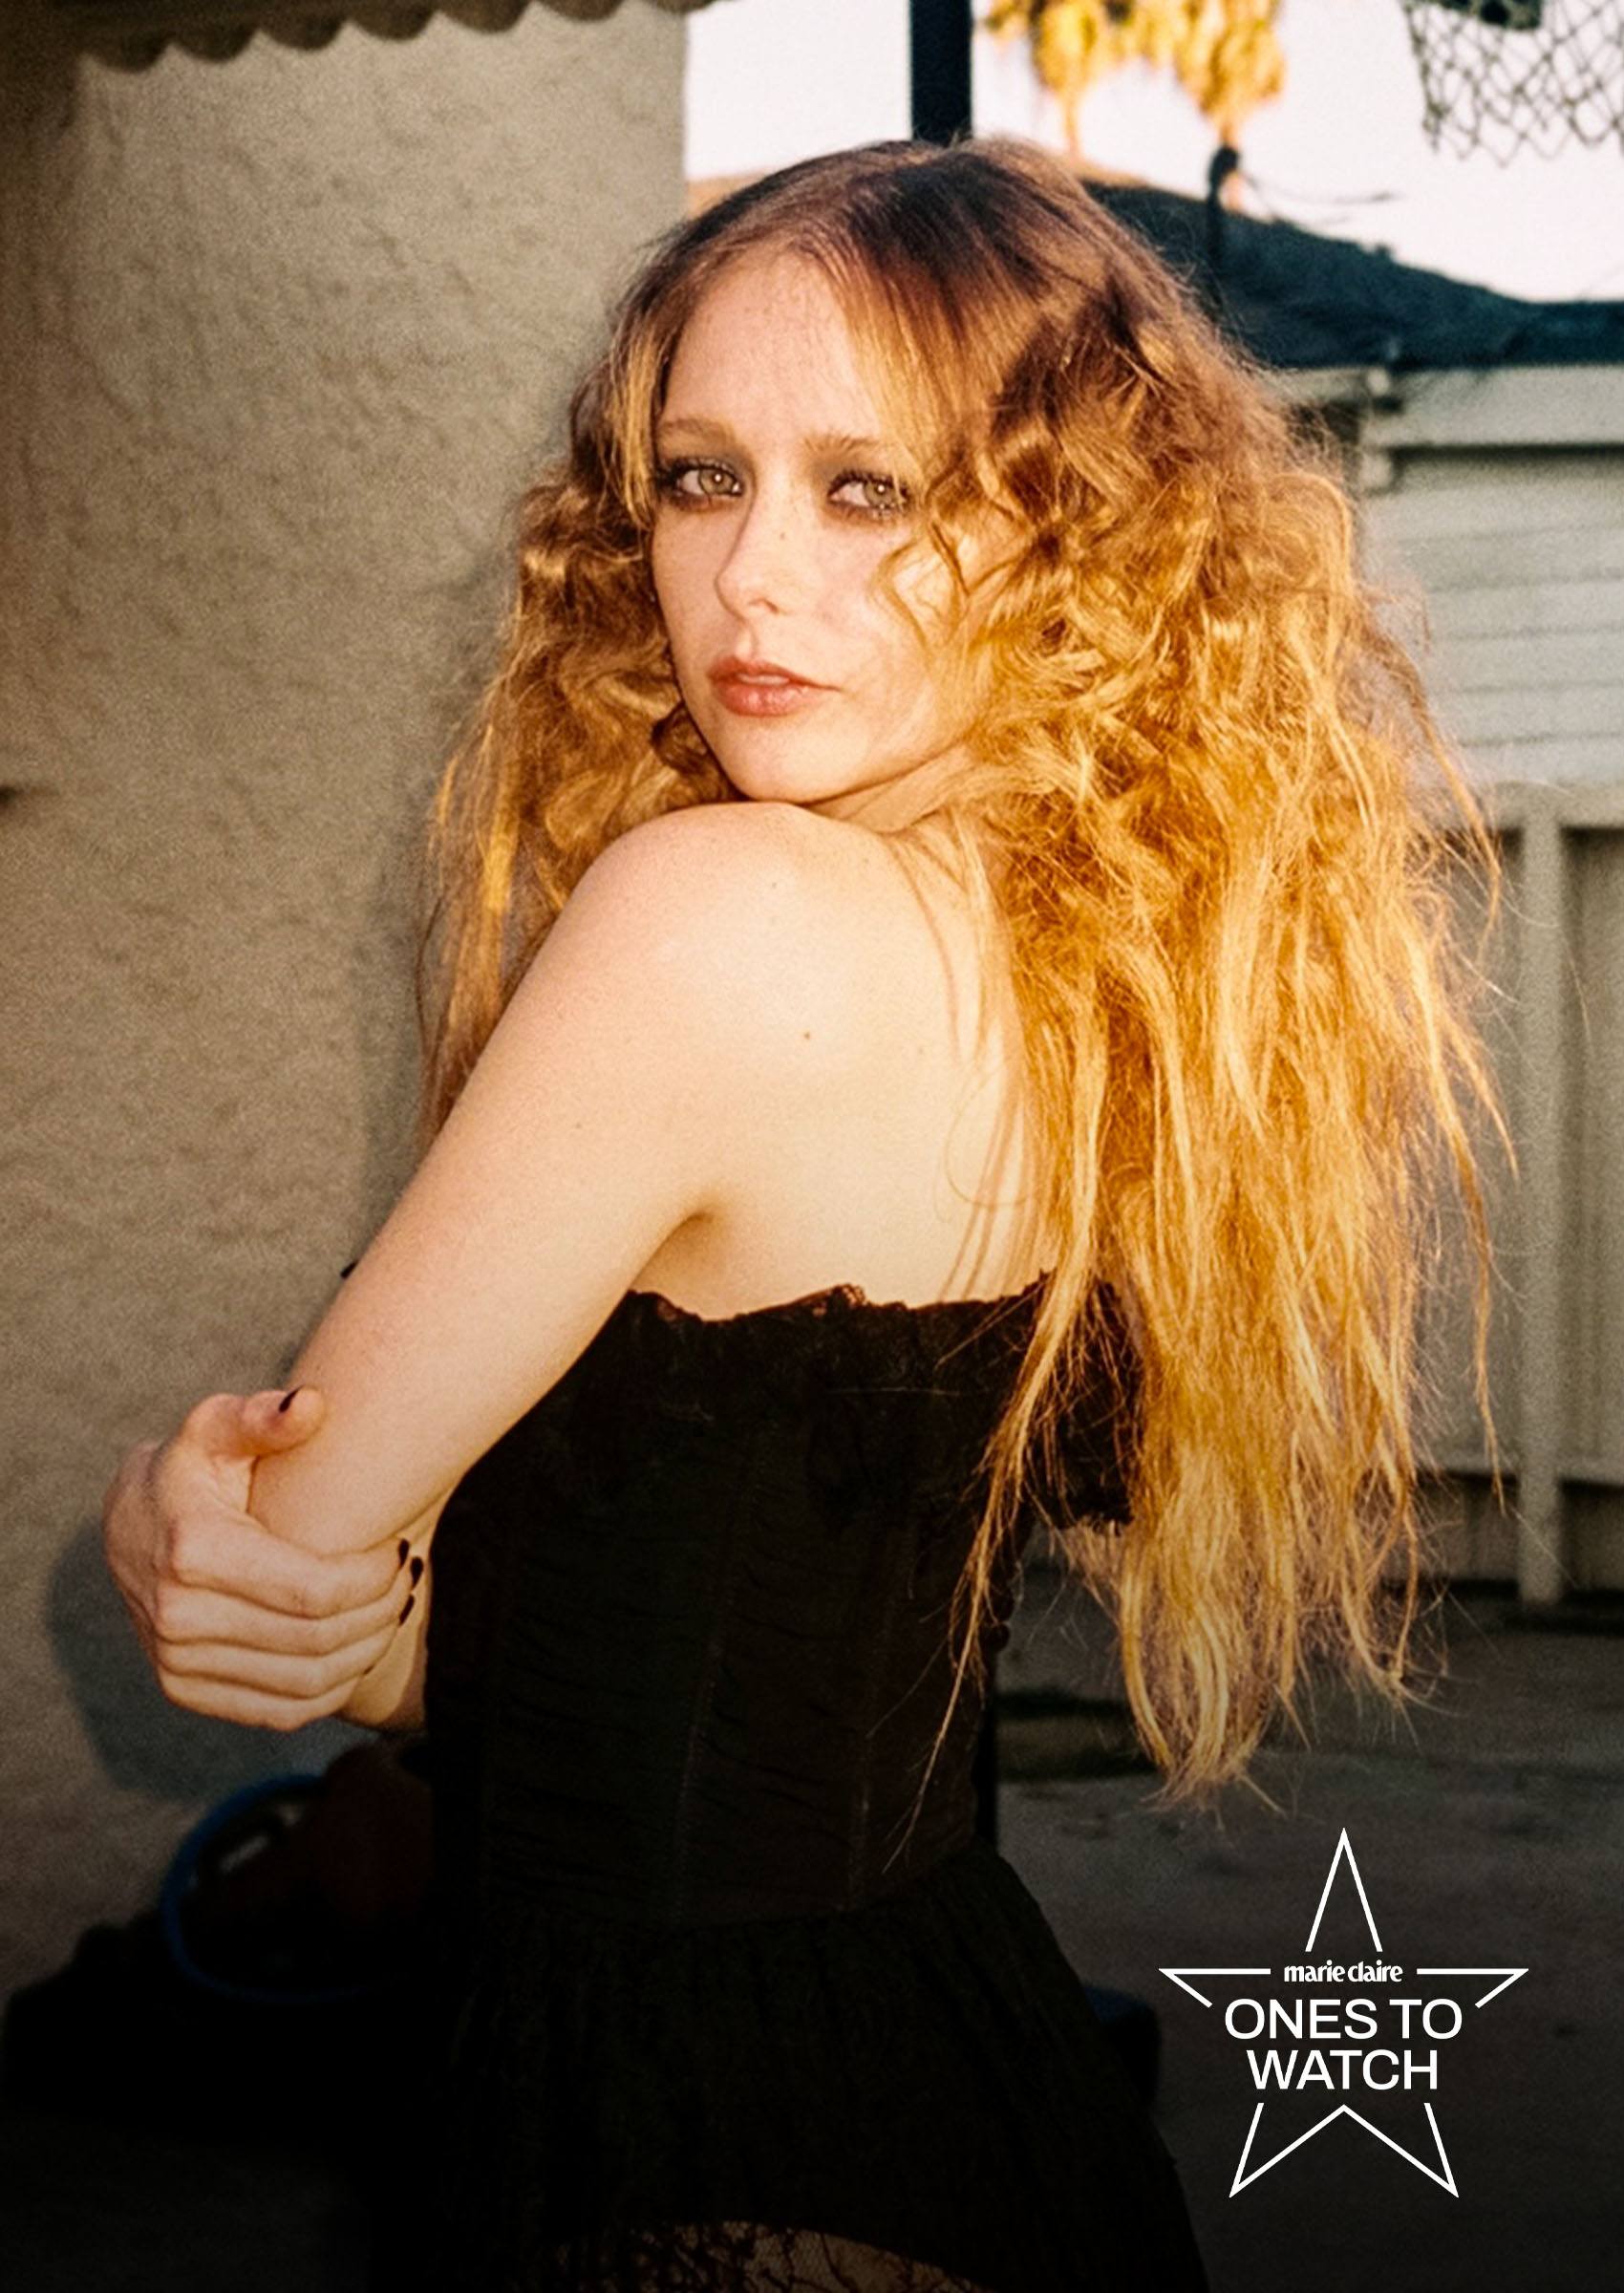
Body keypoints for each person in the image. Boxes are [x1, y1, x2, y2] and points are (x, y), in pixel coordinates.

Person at [102, 140, 1495, 2290]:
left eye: (872, 490)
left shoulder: (713, 919)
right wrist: (369, 1623)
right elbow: (614, 1659)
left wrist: (183, 1523)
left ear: (1073, 532)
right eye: (697, 478)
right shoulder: (1109, 991)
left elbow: (287, 1575)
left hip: (687, 2141)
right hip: (958, 2067)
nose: (753, 578)